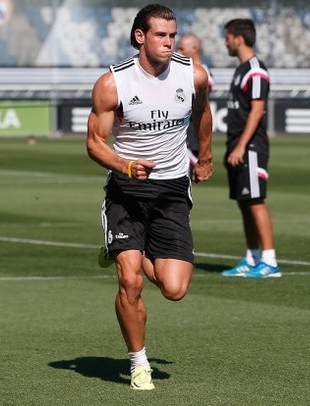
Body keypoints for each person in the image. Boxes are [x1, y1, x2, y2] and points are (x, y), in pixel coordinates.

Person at [86, 4, 213, 390]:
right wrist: (124, 165)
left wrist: (205, 155)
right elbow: (94, 143)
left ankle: (121, 247)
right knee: (131, 282)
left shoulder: (194, 75)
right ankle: (139, 363)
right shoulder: (113, 83)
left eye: (172, 34)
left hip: (172, 189)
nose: (169, 42)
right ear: (140, 36)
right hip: (126, 190)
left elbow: (203, 113)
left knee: (174, 289)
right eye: (161, 35)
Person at [220, 18, 281, 279]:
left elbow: (257, 111)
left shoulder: (255, 70)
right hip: (237, 144)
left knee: (255, 200)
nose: (225, 42)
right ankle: (252, 257)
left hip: (251, 146)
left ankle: (270, 261)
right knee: (245, 202)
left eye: (227, 37)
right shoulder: (241, 69)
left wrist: (242, 146)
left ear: (238, 38)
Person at [177, 33, 215, 172]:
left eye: (181, 49)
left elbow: (199, 99)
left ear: (194, 48)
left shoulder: (202, 72)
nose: (178, 52)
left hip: (192, 133)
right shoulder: (183, 70)